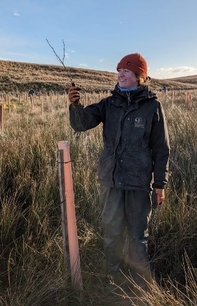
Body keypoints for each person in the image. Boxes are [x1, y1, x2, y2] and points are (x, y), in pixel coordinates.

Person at [68, 52, 170, 291]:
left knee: (137, 235)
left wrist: (160, 184)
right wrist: (75, 105)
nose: (120, 74)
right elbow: (81, 124)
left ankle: (140, 282)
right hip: (111, 180)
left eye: (126, 70)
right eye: (119, 70)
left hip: (138, 182)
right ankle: (112, 280)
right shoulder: (108, 104)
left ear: (139, 76)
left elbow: (161, 148)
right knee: (111, 232)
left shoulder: (152, 106)